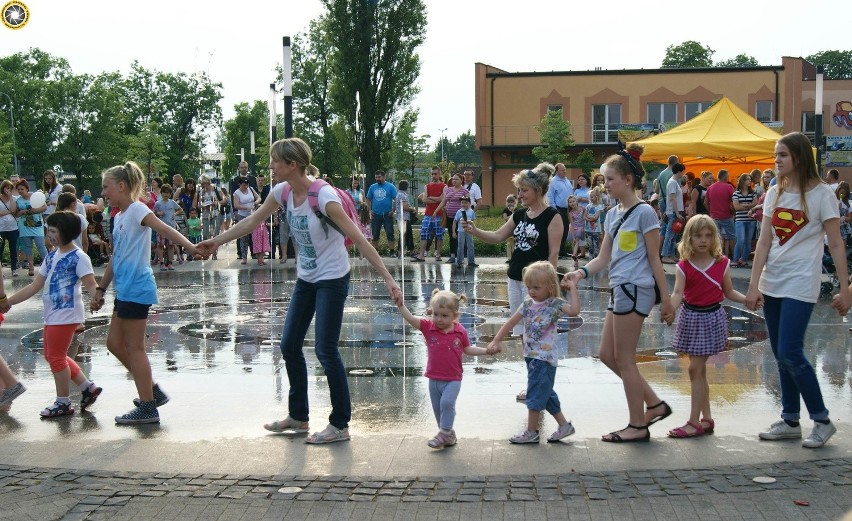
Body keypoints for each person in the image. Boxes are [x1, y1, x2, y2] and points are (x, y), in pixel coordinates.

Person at [197, 137, 403, 443]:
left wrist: (388, 277)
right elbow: (254, 220)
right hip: (307, 278)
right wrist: (218, 241)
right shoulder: (281, 192)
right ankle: (298, 416)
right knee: (289, 344)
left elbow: (359, 239)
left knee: (325, 349)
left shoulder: (324, 197)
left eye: (275, 162)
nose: (270, 167)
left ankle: (340, 424)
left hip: (333, 277)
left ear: (292, 165)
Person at [746, 132, 850, 449]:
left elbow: (835, 242)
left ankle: (821, 419)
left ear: (800, 157)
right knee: (779, 352)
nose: (776, 161)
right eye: (775, 155)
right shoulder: (774, 192)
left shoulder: (822, 194)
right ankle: (790, 419)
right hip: (772, 280)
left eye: (782, 155)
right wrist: (753, 284)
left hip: (802, 281)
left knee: (791, 350)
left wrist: (845, 288)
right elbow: (763, 241)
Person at [566, 146, 674, 442]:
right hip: (619, 288)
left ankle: (637, 425)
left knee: (624, 358)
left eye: (610, 179)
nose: (605, 185)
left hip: (636, 289)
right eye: (604, 179)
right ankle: (654, 404)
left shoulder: (645, 213)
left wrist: (666, 299)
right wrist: (581, 272)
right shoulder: (612, 214)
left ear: (627, 180)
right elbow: (603, 257)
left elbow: (655, 259)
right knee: (606, 354)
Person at [91, 161, 200, 424]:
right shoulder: (117, 217)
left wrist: (191, 247)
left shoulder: (138, 209)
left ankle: (148, 406)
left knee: (135, 348)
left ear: (121, 186)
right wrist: (101, 288)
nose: (104, 193)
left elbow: (164, 229)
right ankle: (151, 391)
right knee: (114, 344)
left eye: (106, 187)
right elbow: (115, 257)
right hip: (124, 288)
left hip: (137, 287)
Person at [6, 212, 103, 417]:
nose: (48, 234)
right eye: (48, 230)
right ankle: (87, 387)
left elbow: (91, 284)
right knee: (52, 356)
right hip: (53, 314)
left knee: (57, 358)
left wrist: (97, 297)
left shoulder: (79, 257)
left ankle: (63, 402)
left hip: (66, 315)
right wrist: (8, 302)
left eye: (52, 231)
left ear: (65, 232)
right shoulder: (52, 256)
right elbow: (35, 285)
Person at [665, 215, 746, 438]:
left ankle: (693, 422)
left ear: (714, 238)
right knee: (698, 370)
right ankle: (706, 418)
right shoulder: (684, 265)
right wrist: (669, 309)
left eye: (708, 236)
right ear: (689, 238)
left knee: (695, 369)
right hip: (691, 317)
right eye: (698, 235)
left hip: (711, 317)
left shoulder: (722, 263)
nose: (703, 240)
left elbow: (728, 291)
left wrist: (747, 299)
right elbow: (678, 293)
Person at [463, 163, 562, 339]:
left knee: (536, 329)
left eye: (524, 190)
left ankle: (538, 365)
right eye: (519, 190)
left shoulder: (552, 216)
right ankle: (529, 365)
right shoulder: (519, 214)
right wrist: (475, 230)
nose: (519, 195)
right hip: (514, 277)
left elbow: (553, 254)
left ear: (538, 190)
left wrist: (550, 286)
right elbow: (497, 236)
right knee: (522, 331)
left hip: (536, 282)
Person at [488, 261, 580, 444]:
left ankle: (532, 431)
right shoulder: (528, 305)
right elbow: (511, 323)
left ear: (550, 287)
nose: (531, 291)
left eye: (536, 287)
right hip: (531, 356)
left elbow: (575, 311)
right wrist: (497, 339)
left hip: (544, 359)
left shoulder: (555, 304)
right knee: (545, 393)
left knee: (535, 394)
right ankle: (564, 426)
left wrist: (573, 289)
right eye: (528, 287)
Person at [396, 289, 497, 449]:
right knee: (439, 411)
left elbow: (468, 349)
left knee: (447, 403)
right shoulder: (428, 327)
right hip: (434, 378)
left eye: (444, 316)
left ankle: (443, 433)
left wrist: (485, 351)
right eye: (436, 314)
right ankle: (448, 436)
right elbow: (410, 319)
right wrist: (401, 305)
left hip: (452, 379)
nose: (439, 319)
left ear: (454, 316)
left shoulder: (459, 331)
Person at [412, 167, 447, 262]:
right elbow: (424, 199)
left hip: (439, 214)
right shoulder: (427, 186)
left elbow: (443, 199)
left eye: (435, 174)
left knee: (439, 235)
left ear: (439, 174)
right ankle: (421, 255)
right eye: (432, 174)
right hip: (428, 214)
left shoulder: (444, 186)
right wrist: (437, 199)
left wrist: (431, 198)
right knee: (424, 234)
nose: (433, 176)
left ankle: (438, 254)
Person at [15, 179, 48, 277]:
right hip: (24, 226)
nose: (20, 191)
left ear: (27, 188)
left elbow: (44, 207)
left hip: (37, 226)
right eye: (19, 189)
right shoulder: (18, 200)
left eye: (22, 189)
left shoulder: (35, 196)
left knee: (41, 246)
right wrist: (22, 212)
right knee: (27, 247)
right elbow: (16, 214)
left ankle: (48, 265)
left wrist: (34, 210)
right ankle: (31, 267)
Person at [435, 173, 469, 265]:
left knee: (460, 237)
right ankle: (452, 256)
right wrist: (436, 211)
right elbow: (443, 201)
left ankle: (460, 256)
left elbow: (468, 204)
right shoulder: (449, 189)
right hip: (450, 217)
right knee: (452, 236)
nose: (454, 181)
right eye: (453, 179)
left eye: (456, 179)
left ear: (461, 180)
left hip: (460, 218)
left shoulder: (464, 191)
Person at [366, 170, 398, 257]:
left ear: (384, 177)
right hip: (376, 214)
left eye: (379, 177)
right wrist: (369, 210)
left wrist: (393, 210)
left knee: (390, 233)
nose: (377, 179)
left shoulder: (390, 186)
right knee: (375, 234)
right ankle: (375, 252)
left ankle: (392, 252)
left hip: (387, 214)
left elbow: (396, 199)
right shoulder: (372, 187)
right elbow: (368, 199)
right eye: (376, 177)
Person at [705, 169, 736, 258]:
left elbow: (705, 202)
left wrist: (710, 211)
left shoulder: (710, 188)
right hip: (727, 216)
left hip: (714, 216)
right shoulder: (729, 187)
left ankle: (715, 256)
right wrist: (733, 212)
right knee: (732, 237)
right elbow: (734, 201)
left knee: (715, 237)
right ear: (726, 177)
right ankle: (734, 256)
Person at [546, 163, 573, 258]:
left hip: (568, 208)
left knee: (566, 229)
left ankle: (562, 250)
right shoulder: (553, 181)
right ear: (557, 171)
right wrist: (554, 209)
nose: (565, 171)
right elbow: (550, 195)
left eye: (565, 169)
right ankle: (555, 251)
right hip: (559, 208)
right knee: (559, 230)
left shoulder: (567, 181)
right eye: (562, 170)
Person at [661, 163, 686, 264]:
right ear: (679, 171)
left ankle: (670, 254)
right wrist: (677, 212)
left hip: (674, 211)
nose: (683, 173)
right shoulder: (672, 182)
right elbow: (672, 198)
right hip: (673, 212)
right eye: (682, 171)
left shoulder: (674, 182)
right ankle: (665, 255)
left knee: (673, 235)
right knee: (670, 234)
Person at [153, 184, 182, 271]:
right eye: (164, 192)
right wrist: (158, 213)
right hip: (161, 227)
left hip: (171, 227)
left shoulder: (172, 202)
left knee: (171, 245)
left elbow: (180, 209)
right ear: (161, 193)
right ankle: (161, 263)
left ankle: (170, 263)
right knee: (160, 245)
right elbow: (153, 213)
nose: (166, 194)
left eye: (168, 193)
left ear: (170, 194)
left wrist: (175, 214)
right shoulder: (157, 203)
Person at [731, 173, 757, 268]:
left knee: (748, 241)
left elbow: (755, 203)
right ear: (742, 181)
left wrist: (745, 205)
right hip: (740, 220)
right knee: (740, 240)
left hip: (751, 220)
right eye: (747, 179)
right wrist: (749, 206)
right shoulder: (736, 193)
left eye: (750, 179)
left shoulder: (753, 192)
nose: (749, 181)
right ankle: (735, 260)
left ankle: (744, 259)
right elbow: (736, 207)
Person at [232, 177, 260, 264]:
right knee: (244, 237)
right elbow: (236, 205)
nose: (245, 186)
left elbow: (259, 198)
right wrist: (246, 207)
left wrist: (255, 203)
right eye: (244, 185)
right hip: (242, 216)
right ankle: (244, 257)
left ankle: (256, 254)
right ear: (240, 184)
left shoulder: (251, 189)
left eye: (247, 185)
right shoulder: (236, 193)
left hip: (252, 215)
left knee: (255, 235)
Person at [0, 180, 20, 277]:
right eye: (6, 187)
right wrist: (8, 212)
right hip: (1, 229)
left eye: (10, 188)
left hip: (13, 228)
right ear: (2, 188)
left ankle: (14, 269)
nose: (8, 190)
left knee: (13, 249)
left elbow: (13, 210)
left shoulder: (14, 198)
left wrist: (10, 197)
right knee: (0, 250)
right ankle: (0, 271)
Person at [452, 195, 476, 267]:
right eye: (462, 203)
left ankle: (471, 262)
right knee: (460, 246)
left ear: (469, 203)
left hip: (469, 231)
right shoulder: (459, 212)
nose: (463, 204)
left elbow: (473, 221)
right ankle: (459, 262)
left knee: (470, 245)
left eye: (465, 203)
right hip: (461, 231)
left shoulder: (471, 212)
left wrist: (474, 229)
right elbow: (455, 221)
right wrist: (454, 231)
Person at [396, 180, 416, 256]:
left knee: (405, 235)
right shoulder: (402, 195)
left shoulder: (399, 194)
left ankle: (402, 252)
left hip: (401, 217)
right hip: (404, 218)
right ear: (406, 187)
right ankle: (404, 252)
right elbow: (405, 207)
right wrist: (413, 209)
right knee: (405, 235)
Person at [584, 189, 605, 258]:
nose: (590, 198)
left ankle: (596, 258)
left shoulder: (599, 206)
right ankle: (591, 258)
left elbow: (596, 217)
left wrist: (589, 217)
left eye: (592, 197)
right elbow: (584, 216)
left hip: (596, 230)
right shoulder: (588, 206)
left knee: (595, 244)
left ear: (597, 197)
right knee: (590, 244)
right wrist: (590, 218)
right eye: (590, 197)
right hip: (588, 229)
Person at [567, 195, 585, 268]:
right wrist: (573, 236)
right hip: (574, 228)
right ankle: (575, 258)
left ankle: (575, 254)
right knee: (575, 241)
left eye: (573, 201)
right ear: (568, 204)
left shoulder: (582, 209)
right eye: (570, 202)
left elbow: (585, 217)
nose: (572, 203)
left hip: (581, 227)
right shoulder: (571, 213)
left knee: (579, 242)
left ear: (576, 201)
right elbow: (572, 224)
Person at [502, 194, 517, 262]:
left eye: (511, 202)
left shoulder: (517, 210)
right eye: (508, 202)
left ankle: (514, 257)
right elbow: (505, 218)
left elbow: (516, 218)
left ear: (514, 203)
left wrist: (513, 211)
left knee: (514, 244)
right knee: (509, 244)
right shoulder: (505, 210)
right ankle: (509, 258)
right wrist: (512, 214)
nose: (510, 204)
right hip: (508, 228)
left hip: (515, 229)